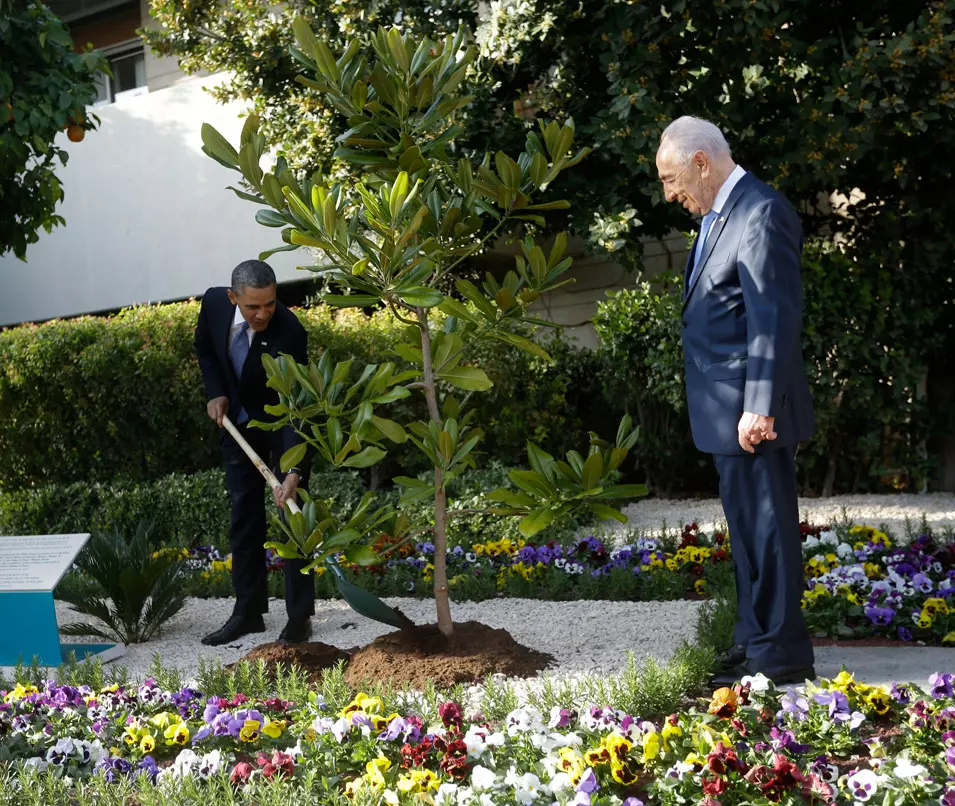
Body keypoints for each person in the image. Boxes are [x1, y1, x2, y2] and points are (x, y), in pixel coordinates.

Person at [656, 116, 816, 686]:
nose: (670, 193)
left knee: (769, 531)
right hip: (728, 411)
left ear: (703, 162)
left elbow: (772, 317)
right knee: (749, 533)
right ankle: (754, 641)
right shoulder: (718, 215)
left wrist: (760, 405)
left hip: (753, 413)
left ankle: (780, 657)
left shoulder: (761, 211)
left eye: (673, 179)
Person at [194, 260, 315, 646]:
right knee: (243, 516)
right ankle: (248, 613)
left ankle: (299, 618)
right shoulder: (213, 304)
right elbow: (205, 347)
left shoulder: (290, 332)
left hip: (282, 427)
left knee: (293, 514)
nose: (263, 313)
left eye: (270, 304)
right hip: (238, 426)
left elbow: (297, 403)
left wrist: (292, 469)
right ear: (233, 298)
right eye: (253, 307)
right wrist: (216, 391)